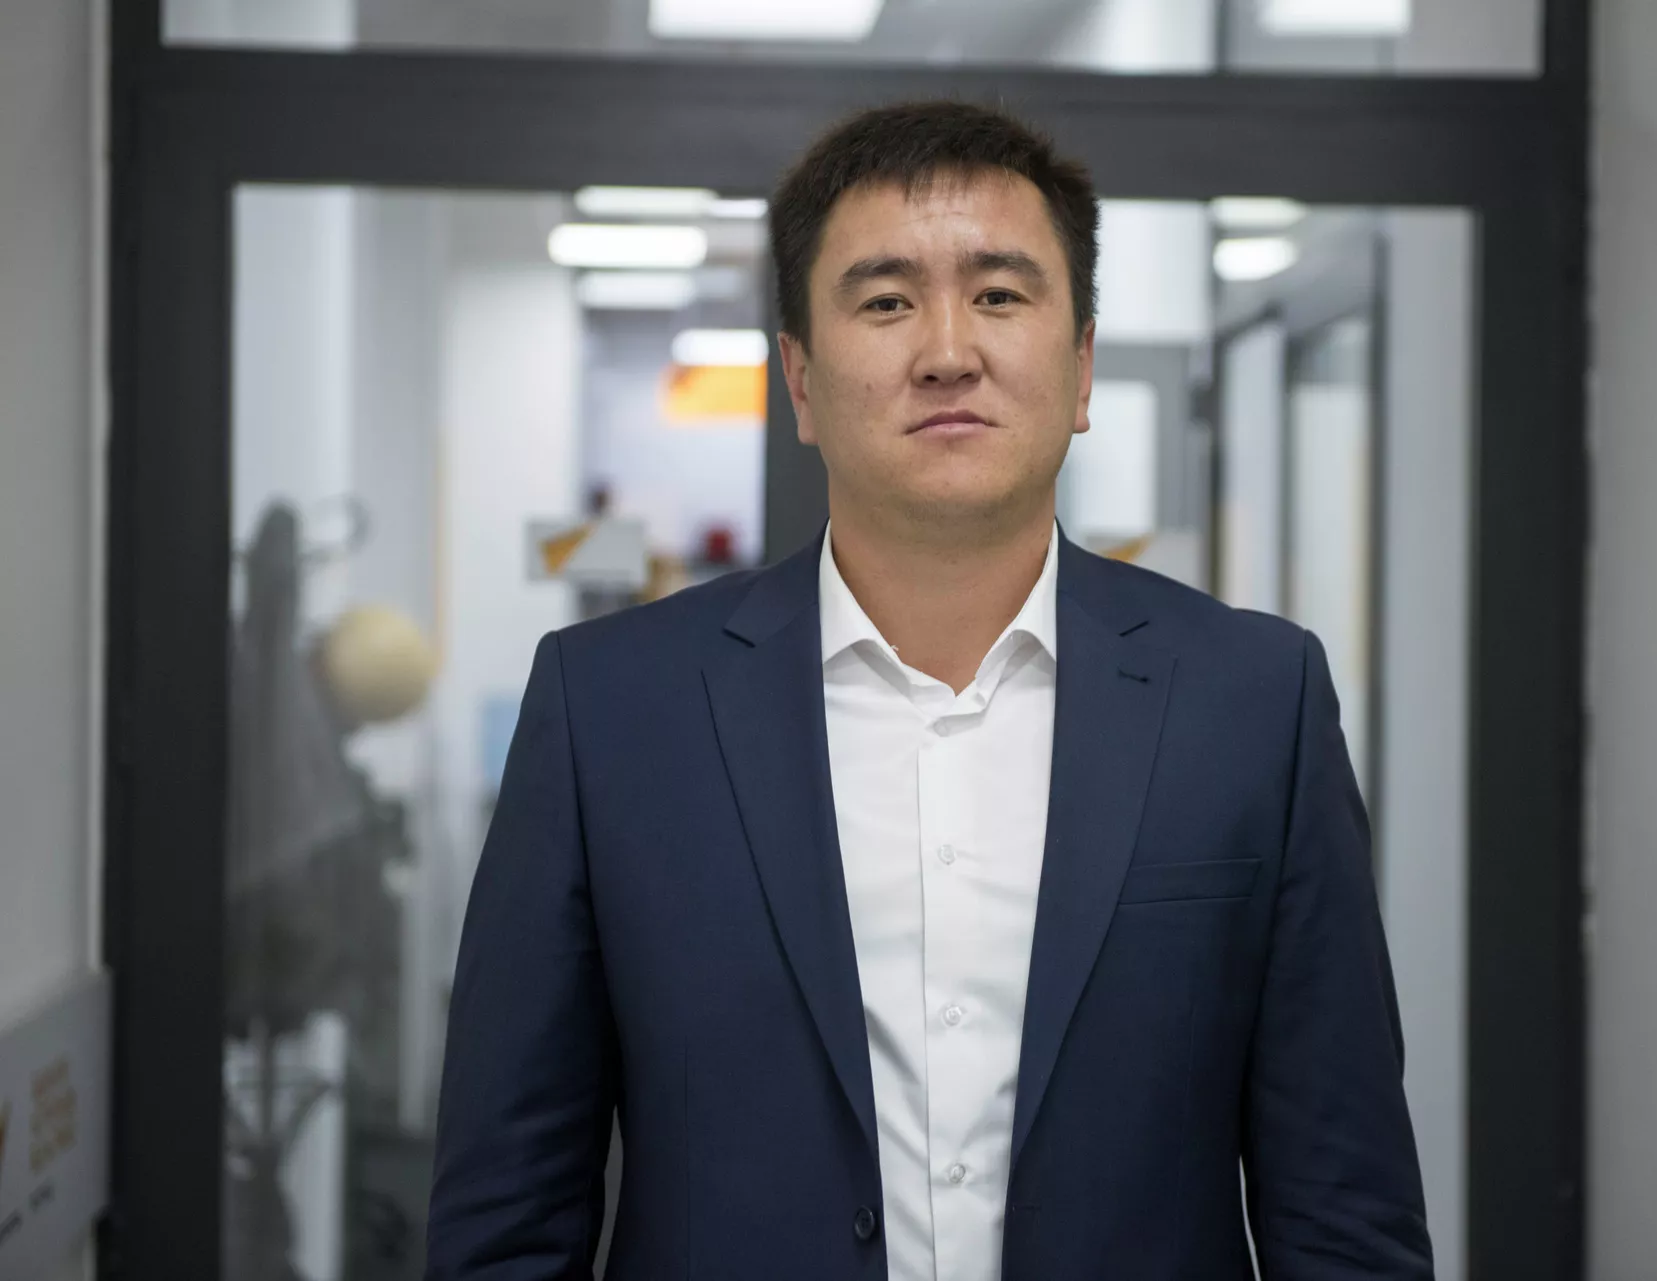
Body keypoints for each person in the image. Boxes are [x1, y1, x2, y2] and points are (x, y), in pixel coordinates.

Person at [426, 100, 1431, 1281]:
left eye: (999, 295)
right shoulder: (613, 713)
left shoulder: (1254, 705)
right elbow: (507, 1222)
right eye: (886, 302)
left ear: (1082, 367)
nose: (949, 350)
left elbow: (1344, 1219)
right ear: (800, 380)